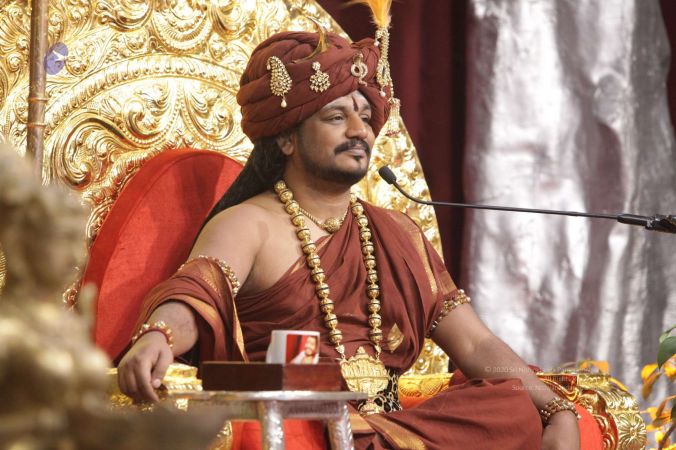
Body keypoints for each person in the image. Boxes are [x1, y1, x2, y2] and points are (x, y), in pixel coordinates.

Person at [117, 29, 580, 449]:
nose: (359, 131)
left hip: (387, 427)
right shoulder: (249, 223)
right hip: (302, 425)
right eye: (336, 117)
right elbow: (197, 294)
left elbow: (476, 346)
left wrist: (553, 407)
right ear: (286, 139)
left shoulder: (397, 231)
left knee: (510, 403)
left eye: (364, 115)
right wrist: (159, 335)